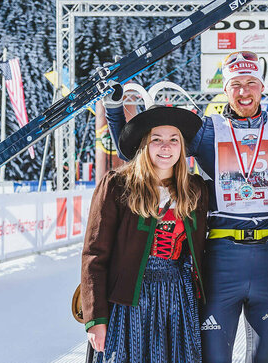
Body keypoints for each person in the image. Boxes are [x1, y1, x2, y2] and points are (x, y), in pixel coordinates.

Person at [105, 51, 268, 363]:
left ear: (262, 86)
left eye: (251, 83)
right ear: (226, 89)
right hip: (222, 259)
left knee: (265, 358)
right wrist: (114, 110)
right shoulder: (207, 130)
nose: (244, 91)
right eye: (236, 84)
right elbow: (140, 150)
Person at [81, 106, 209, 363]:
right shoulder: (118, 185)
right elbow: (95, 255)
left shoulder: (195, 190)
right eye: (157, 140)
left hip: (177, 298)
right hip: (129, 299)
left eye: (174, 140)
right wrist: (95, 318)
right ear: (144, 145)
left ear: (182, 147)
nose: (166, 147)